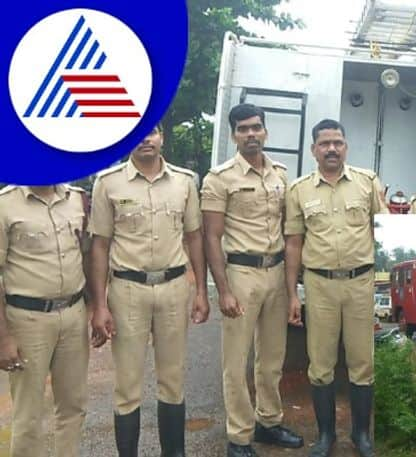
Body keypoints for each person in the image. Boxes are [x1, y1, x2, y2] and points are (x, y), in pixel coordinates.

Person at [89, 125, 210, 457]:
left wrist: (201, 290)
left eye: (152, 131)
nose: (145, 138)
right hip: (127, 291)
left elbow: (195, 237)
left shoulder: (184, 182)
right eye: (137, 132)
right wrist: (99, 305)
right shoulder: (108, 183)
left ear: (162, 137)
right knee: (127, 385)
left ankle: (174, 453)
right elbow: (99, 245)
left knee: (173, 380)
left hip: (173, 288)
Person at [200, 104, 303, 457]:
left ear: (266, 131)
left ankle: (269, 422)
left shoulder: (280, 174)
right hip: (241, 274)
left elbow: (291, 232)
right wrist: (223, 290)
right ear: (233, 135)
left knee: (272, 357)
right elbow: (211, 237)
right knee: (236, 361)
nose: (251, 134)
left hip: (275, 272)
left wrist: (292, 291)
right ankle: (239, 437)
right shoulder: (220, 178)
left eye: (256, 128)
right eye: (243, 129)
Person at [284, 118, 388, 457]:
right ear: (314, 149)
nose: (332, 148)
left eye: (337, 142)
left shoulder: (367, 182)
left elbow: (381, 231)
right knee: (321, 363)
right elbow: (294, 244)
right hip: (320, 285)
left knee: (363, 362)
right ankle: (326, 436)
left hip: (360, 282)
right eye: (325, 143)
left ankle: (361, 435)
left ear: (345, 146)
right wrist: (291, 296)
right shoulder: (299, 190)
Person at [0, 183, 90, 457]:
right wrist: (4, 338)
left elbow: (84, 254)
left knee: (73, 405)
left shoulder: (76, 199)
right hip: (28, 319)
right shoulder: (5, 203)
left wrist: (97, 306)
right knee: (28, 413)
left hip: (74, 314)